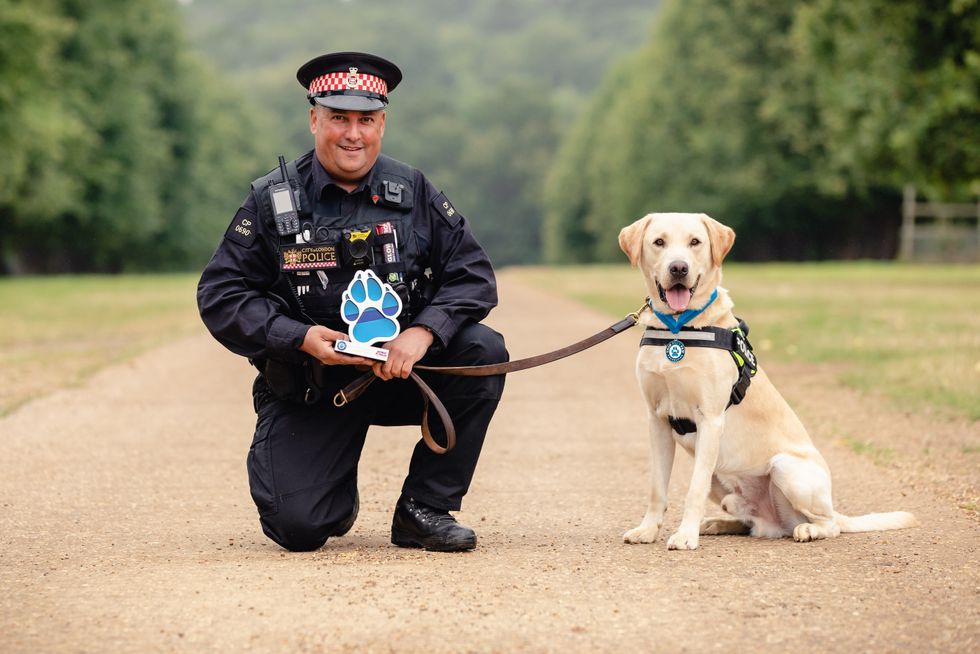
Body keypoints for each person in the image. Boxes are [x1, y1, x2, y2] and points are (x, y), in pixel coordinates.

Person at [197, 52, 507, 553]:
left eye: (366, 119)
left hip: (404, 377)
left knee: (484, 350)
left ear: (383, 121)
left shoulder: (414, 191)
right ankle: (330, 486)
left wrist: (422, 332)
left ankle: (424, 508)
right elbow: (221, 294)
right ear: (314, 118)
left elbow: (473, 275)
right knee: (299, 528)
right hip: (314, 386)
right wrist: (298, 338)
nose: (352, 134)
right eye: (339, 118)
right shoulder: (271, 200)